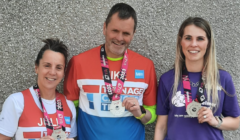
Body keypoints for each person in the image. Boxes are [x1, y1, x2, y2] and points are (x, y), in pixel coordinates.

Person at [64, 3, 157, 140]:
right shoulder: (78, 63)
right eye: (115, 30)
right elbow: (68, 109)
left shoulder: (146, 65)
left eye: (126, 33)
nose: (119, 38)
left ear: (133, 34)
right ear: (104, 28)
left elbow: (152, 114)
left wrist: (140, 112)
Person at [154, 17, 240, 140]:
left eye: (200, 39)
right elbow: (161, 126)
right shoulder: (167, 79)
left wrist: (215, 121)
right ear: (180, 41)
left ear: (208, 43)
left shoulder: (222, 78)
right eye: (188, 38)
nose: (193, 44)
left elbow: (236, 122)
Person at [0, 38, 77, 140]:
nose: (52, 72)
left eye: (58, 68)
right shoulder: (16, 101)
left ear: (63, 72)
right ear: (36, 67)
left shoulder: (69, 106)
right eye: (47, 65)